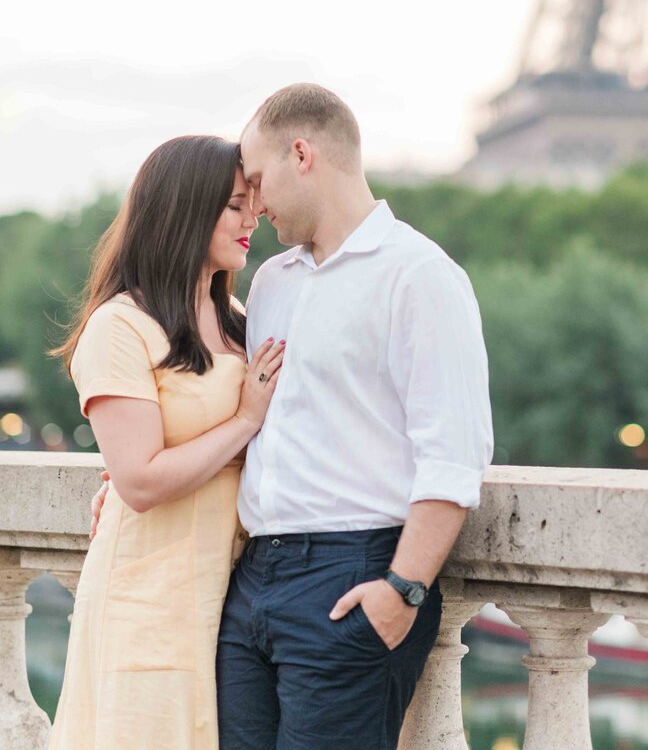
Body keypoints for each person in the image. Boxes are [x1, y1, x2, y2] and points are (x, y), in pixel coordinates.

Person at [216, 83, 494, 750]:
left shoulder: (419, 275)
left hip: (352, 574)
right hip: (252, 582)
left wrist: (402, 589)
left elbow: (453, 452)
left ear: (302, 154)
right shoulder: (273, 283)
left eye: (256, 181)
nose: (254, 205)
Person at [47, 135, 284, 750]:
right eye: (236, 204)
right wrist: (242, 424)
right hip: (150, 600)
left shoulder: (236, 317)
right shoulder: (120, 326)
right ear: (186, 208)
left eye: (253, 202)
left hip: (232, 598)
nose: (252, 217)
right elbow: (143, 482)